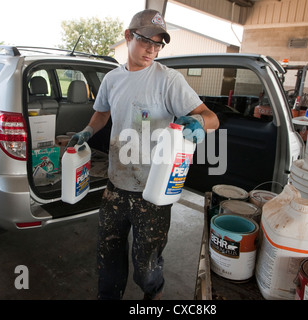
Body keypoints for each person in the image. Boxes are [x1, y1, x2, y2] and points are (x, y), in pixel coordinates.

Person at [69, 9, 219, 300]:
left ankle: (154, 295)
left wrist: (200, 124)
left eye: (159, 43)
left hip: (153, 192)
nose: (152, 49)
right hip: (115, 186)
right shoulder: (112, 79)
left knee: (146, 268)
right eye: (145, 40)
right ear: (128, 36)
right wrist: (86, 131)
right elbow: (101, 114)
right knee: (108, 259)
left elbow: (211, 117)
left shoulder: (168, 80)